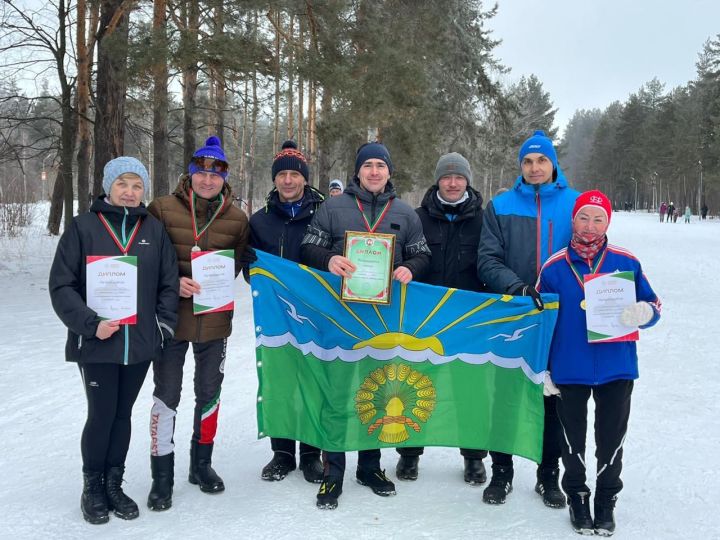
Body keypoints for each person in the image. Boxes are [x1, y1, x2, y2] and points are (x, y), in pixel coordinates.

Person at [301, 141, 431, 509]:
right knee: (338, 393)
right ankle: (333, 471)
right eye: (368, 165)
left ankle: (370, 467)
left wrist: (411, 267)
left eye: (381, 165)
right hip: (340, 317)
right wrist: (329, 259)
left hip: (385, 319)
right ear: (358, 171)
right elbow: (307, 247)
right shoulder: (334, 207)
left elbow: (423, 253)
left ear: (390, 172)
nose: (374, 171)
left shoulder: (405, 213)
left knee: (377, 391)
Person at [49, 157, 179, 524]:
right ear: (108, 187)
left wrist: (162, 328)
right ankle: (92, 487)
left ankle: (113, 484)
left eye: (137, 186)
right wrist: (91, 324)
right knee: (101, 414)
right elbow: (61, 285)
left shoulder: (153, 229)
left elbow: (169, 283)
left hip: (138, 343)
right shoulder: (83, 227)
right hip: (98, 342)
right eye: (122, 183)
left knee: (123, 415)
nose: (129, 192)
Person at [537, 190, 661, 536]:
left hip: (616, 366)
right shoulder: (554, 266)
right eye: (583, 218)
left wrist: (644, 312)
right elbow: (540, 320)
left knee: (611, 437)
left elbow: (654, 303)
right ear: (573, 220)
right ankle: (577, 494)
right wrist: (543, 367)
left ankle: (606, 499)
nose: (590, 227)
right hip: (569, 366)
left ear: (608, 222)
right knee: (571, 439)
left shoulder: (626, 261)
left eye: (598, 219)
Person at [146, 136, 252, 510]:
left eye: (215, 173)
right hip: (171, 320)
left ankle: (201, 464)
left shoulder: (238, 220)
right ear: (190, 174)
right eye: (201, 172)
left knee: (209, 393)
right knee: (167, 394)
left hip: (214, 322)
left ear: (225, 177)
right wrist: (173, 282)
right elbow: (144, 262)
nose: (208, 180)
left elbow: (237, 265)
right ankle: (162, 475)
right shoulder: (161, 209)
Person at [477, 129, 579, 508]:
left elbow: (590, 253)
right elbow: (487, 258)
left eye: (542, 160)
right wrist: (518, 288)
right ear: (520, 165)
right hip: (513, 313)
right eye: (528, 161)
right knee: (504, 394)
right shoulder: (501, 206)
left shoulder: (574, 204)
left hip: (559, 318)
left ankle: (548, 473)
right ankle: (501, 471)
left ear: (553, 164)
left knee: (552, 398)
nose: (535, 168)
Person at [395, 152, 488, 484]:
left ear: (467, 181)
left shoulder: (484, 219)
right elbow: (403, 259)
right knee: (415, 384)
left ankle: (474, 456)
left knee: (470, 389)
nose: (452, 183)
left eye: (459, 177)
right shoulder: (416, 217)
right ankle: (408, 453)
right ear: (437, 181)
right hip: (422, 319)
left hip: (468, 319)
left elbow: (491, 263)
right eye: (446, 177)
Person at [250, 140, 325, 483]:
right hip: (276, 315)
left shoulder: (324, 213)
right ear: (275, 179)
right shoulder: (260, 220)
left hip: (316, 313)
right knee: (280, 379)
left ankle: (311, 453)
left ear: (305, 178)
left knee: (312, 378)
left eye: (295, 174)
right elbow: (244, 263)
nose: (289, 181)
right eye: (282, 175)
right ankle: (282, 454)